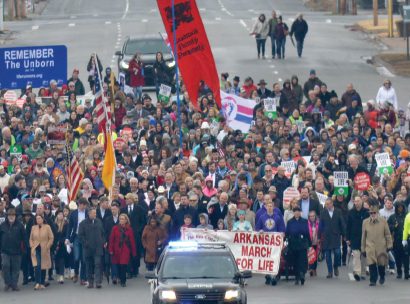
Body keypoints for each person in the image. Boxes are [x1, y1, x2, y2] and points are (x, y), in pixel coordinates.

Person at [361, 205, 393, 286]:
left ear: (377, 213)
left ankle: (382, 276)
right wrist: (363, 249)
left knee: (381, 264)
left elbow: (388, 234)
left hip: (381, 246)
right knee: (371, 264)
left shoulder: (383, 221)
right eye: (371, 213)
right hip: (370, 246)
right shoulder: (365, 222)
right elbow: (363, 237)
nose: (372, 214)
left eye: (374, 213)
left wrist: (389, 245)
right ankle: (373, 280)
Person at [78, 207, 105, 289]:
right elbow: (80, 235)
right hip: (88, 248)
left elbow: (103, 233)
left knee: (98, 264)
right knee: (88, 266)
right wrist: (86, 243)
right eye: (93, 213)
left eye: (95, 213)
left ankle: (98, 282)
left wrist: (103, 241)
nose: (95, 215)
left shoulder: (99, 222)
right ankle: (90, 282)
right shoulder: (83, 223)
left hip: (98, 247)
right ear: (89, 214)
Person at [319, 198, 346, 279]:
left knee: (337, 253)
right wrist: (319, 236)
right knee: (327, 256)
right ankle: (330, 272)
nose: (326, 206)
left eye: (328, 204)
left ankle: (336, 266)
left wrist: (344, 235)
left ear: (332, 204)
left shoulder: (338, 211)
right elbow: (321, 225)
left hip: (335, 236)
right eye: (326, 204)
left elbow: (342, 223)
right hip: (326, 237)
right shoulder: (323, 212)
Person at [0, 208, 26, 291]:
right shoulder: (2, 225)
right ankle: (8, 283)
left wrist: (26, 248)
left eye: (13, 215)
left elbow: (24, 237)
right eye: (9, 215)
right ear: (7, 216)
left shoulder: (20, 225)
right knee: (5, 266)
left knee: (16, 268)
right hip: (5, 251)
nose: (11, 217)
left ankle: (14, 284)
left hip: (17, 250)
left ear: (15, 216)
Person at [109, 213, 137, 287]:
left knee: (123, 265)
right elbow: (111, 239)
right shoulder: (115, 228)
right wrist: (111, 249)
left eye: (123, 219)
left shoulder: (129, 229)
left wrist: (134, 252)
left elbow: (132, 241)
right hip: (116, 250)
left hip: (125, 250)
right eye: (120, 219)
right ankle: (119, 277)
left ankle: (123, 281)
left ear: (126, 220)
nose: (121, 220)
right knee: (117, 265)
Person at [285, 206, 311, 285]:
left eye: (298, 211)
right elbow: (287, 233)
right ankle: (297, 277)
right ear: (293, 212)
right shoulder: (290, 222)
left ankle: (302, 274)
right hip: (293, 244)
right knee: (295, 261)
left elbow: (307, 233)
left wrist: (309, 244)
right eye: (295, 211)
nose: (297, 213)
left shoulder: (304, 221)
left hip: (302, 243)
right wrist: (285, 240)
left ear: (300, 213)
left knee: (302, 260)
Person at [65, 198, 88, 285]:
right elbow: (69, 227)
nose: (84, 206)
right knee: (76, 257)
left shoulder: (87, 213)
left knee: (84, 258)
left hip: (85, 237)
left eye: (85, 205)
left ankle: (83, 278)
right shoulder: (73, 213)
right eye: (83, 204)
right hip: (76, 237)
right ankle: (76, 273)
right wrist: (67, 238)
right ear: (79, 204)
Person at [346, 196, 369, 281]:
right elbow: (348, 226)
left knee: (363, 256)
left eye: (358, 201)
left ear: (361, 202)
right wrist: (347, 238)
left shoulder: (366, 212)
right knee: (356, 255)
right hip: (354, 237)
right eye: (355, 201)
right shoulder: (350, 212)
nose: (357, 203)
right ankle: (357, 272)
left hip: (364, 237)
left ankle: (363, 273)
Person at [30, 214, 54, 290]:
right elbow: (31, 238)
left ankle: (42, 283)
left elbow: (51, 237)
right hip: (36, 248)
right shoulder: (33, 228)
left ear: (42, 219)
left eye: (39, 218)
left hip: (44, 248)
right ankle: (37, 282)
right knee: (37, 265)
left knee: (43, 266)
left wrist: (48, 246)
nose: (38, 220)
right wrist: (32, 245)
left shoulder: (47, 227)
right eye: (37, 219)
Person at [387, 201, 409, 279]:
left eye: (401, 207)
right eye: (398, 207)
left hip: (405, 239)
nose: (400, 209)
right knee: (397, 257)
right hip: (396, 240)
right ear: (396, 208)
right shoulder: (392, 217)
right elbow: (387, 227)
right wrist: (393, 226)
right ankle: (399, 272)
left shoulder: (406, 216)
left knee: (406, 257)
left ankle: (406, 273)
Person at [53, 209, 68, 284]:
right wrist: (55, 243)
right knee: (56, 261)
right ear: (56, 216)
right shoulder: (54, 224)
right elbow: (52, 235)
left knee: (62, 260)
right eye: (59, 214)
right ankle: (58, 274)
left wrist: (61, 241)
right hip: (55, 245)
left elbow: (66, 235)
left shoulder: (65, 224)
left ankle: (61, 275)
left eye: (61, 214)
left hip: (62, 245)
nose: (60, 216)